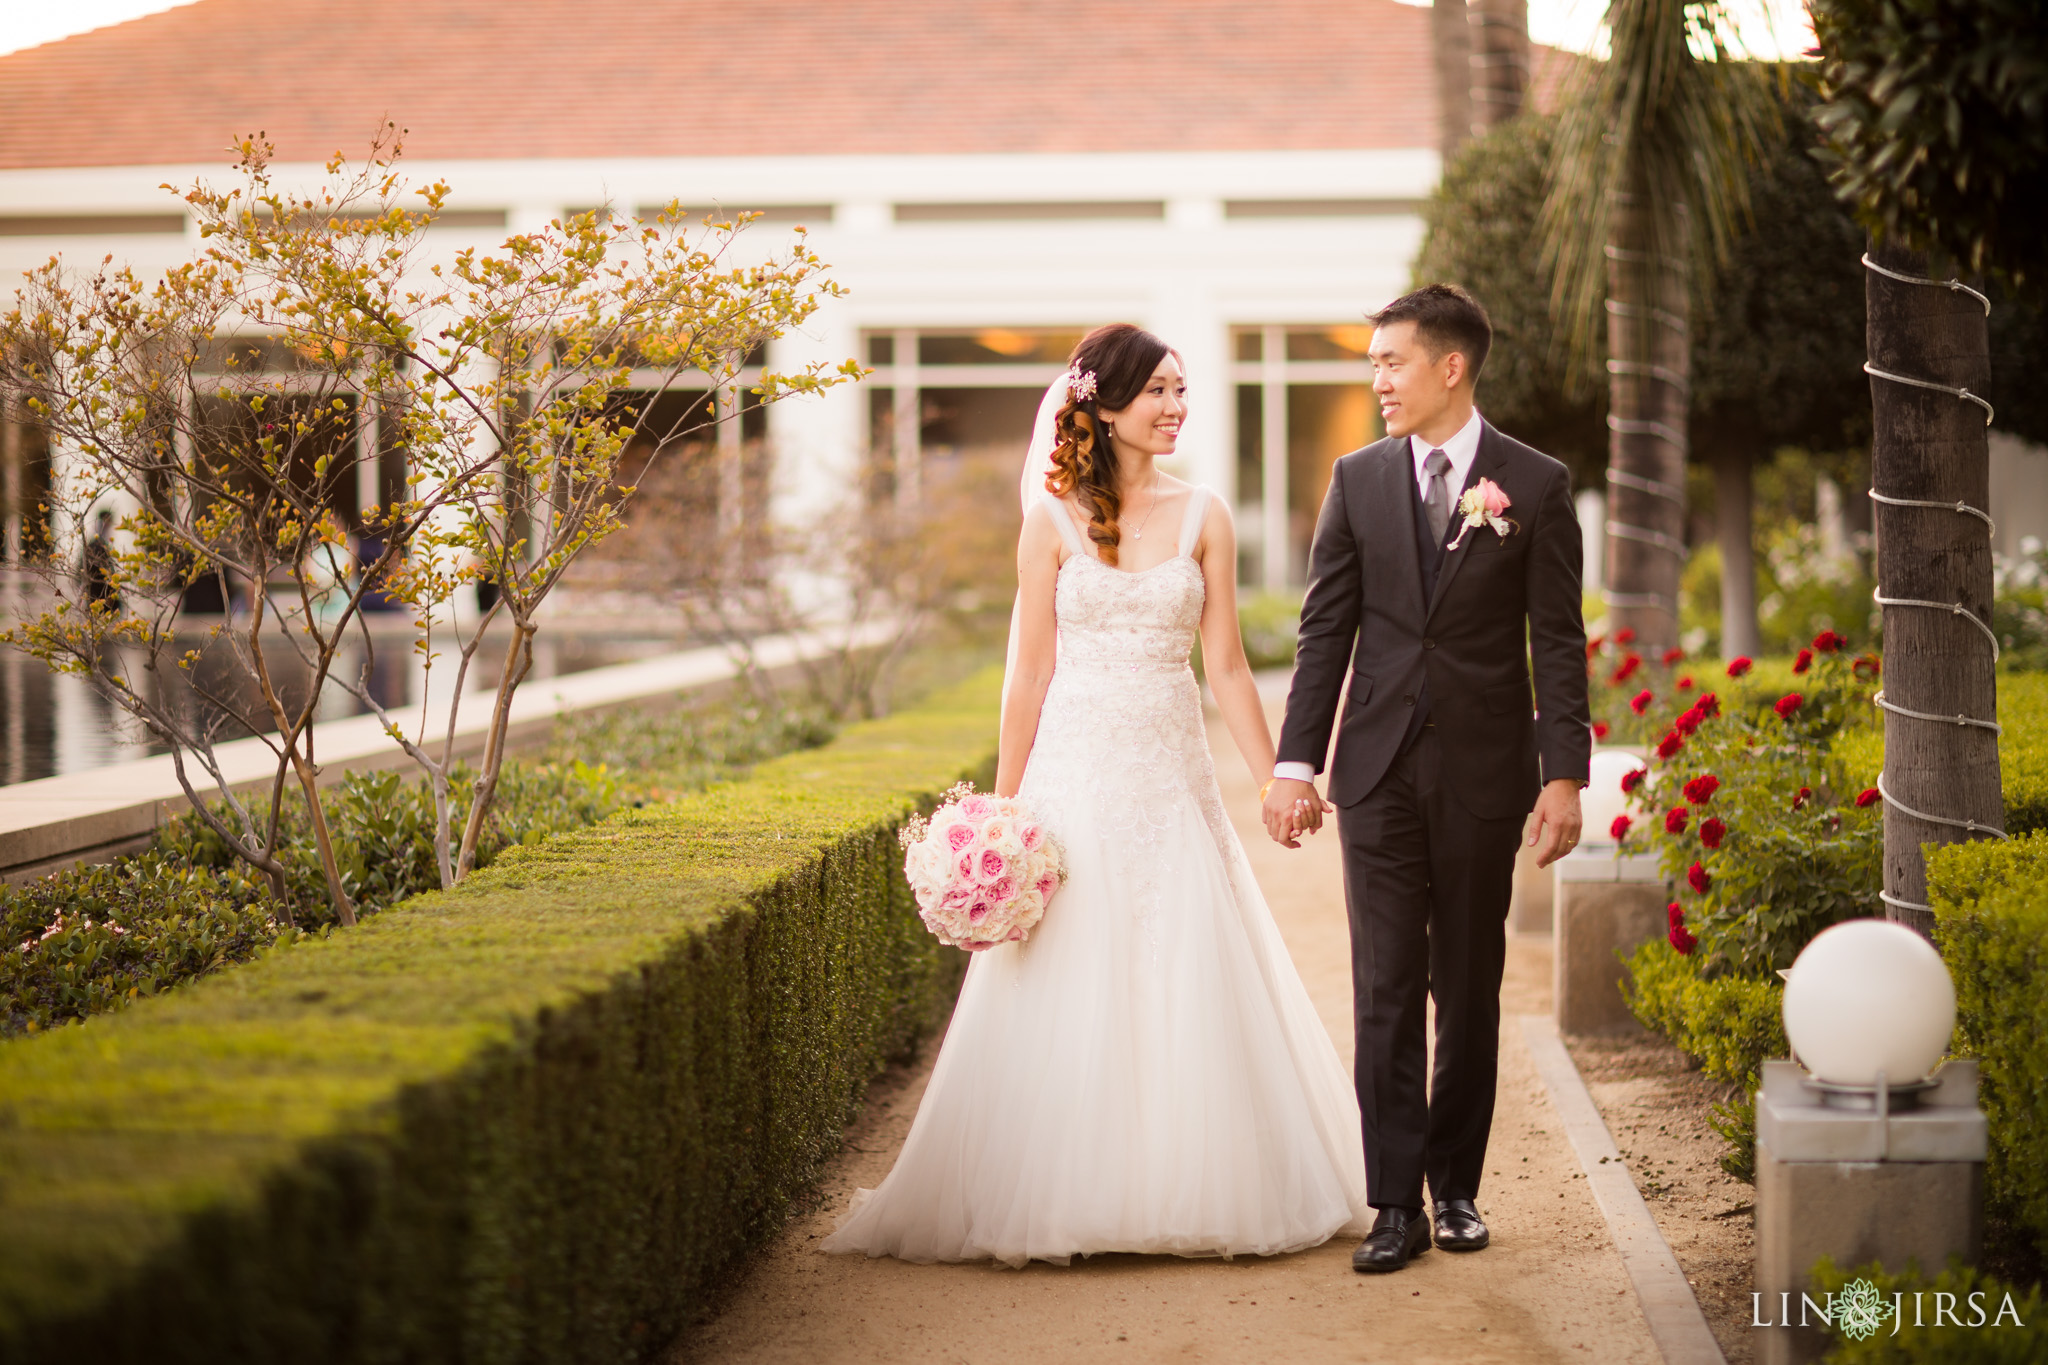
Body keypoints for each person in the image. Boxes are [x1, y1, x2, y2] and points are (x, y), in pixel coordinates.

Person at [822, 324, 1370, 1266]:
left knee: (1183, 958)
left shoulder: (1207, 515)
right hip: (1073, 775)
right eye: (1156, 390)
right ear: (1103, 405)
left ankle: (1184, 1183)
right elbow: (1026, 676)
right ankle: (1058, 1189)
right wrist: (1001, 814)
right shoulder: (1051, 520)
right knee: (1066, 971)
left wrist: (1282, 775)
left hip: (1169, 779)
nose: (1175, 406)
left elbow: (1229, 667)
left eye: (1181, 388)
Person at [1263, 284, 1591, 1273]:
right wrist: (1294, 763)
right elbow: (1325, 632)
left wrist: (1562, 775)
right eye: (1372, 364)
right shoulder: (1355, 479)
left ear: (1449, 366)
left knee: (1468, 979)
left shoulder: (1532, 486)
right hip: (1372, 773)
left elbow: (1557, 643)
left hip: (1485, 773)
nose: (1376, 381)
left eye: (1390, 361)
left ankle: (1455, 1191)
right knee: (1383, 984)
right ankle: (1392, 1203)